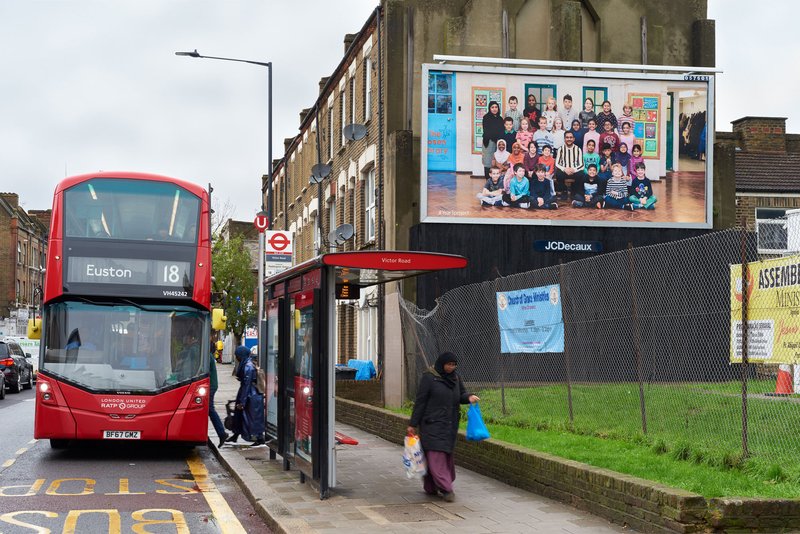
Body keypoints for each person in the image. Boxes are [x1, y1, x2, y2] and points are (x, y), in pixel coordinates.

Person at [408, 352, 479, 502]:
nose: (451, 367)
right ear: (442, 363)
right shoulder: (429, 377)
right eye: (449, 364)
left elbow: (461, 394)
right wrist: (413, 424)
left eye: (454, 365)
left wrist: (469, 397)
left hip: (449, 424)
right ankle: (446, 488)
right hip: (431, 424)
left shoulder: (455, 377)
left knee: (444, 455)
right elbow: (420, 401)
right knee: (436, 457)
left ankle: (431, 486)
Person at [227, 345, 266, 446]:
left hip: (251, 396)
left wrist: (242, 402)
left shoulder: (248, 366)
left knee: (253, 419)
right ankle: (236, 435)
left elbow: (246, 385)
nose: (236, 358)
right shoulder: (246, 363)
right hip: (248, 394)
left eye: (237, 355)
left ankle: (259, 438)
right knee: (239, 415)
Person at [209, 339, 230, 448]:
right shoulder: (208, 356)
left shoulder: (207, 356)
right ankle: (221, 433)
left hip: (210, 386)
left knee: (210, 409)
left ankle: (222, 433)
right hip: (211, 385)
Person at [554, 130, 585, 199]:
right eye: (567, 137)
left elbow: (582, 164)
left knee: (581, 174)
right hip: (564, 171)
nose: (569, 139)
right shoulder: (561, 149)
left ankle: (574, 192)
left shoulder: (578, 149)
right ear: (564, 139)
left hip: (574, 171)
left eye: (571, 137)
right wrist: (565, 169)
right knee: (558, 173)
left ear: (574, 139)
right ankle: (564, 191)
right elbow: (557, 163)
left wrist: (574, 169)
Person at [481, 100, 504, 180]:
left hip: (498, 143)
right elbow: (487, 131)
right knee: (488, 162)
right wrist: (495, 138)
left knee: (497, 162)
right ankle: (488, 181)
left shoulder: (500, 119)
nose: (494, 109)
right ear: (489, 108)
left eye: (496, 107)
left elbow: (501, 131)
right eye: (492, 107)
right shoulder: (486, 117)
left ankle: (496, 182)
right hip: (489, 142)